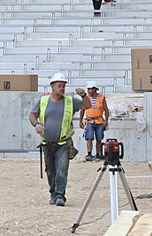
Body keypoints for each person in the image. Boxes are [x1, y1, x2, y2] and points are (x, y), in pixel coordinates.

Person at [29, 73, 84, 206]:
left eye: (63, 86)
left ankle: (60, 195)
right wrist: (36, 125)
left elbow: (86, 106)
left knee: (62, 170)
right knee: (51, 171)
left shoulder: (71, 102)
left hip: (63, 144)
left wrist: (84, 96)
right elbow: (32, 115)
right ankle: (53, 194)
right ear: (52, 87)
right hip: (47, 144)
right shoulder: (43, 101)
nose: (62, 88)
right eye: (59, 86)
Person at [77, 81, 109, 161]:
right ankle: (89, 154)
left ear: (94, 89)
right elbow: (82, 110)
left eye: (90, 89)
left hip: (99, 121)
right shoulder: (86, 98)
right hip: (89, 121)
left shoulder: (102, 98)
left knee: (99, 138)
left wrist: (106, 121)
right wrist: (80, 121)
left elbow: (106, 110)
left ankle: (98, 154)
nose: (88, 91)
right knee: (89, 138)